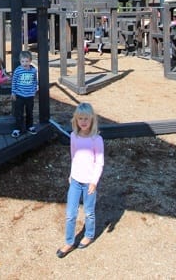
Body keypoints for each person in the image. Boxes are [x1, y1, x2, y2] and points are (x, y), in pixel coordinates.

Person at [57, 102, 104, 259]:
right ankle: (69, 242)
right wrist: (71, 173)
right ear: (76, 120)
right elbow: (74, 156)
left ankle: (89, 234)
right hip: (76, 181)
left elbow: (99, 162)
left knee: (89, 212)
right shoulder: (74, 136)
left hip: (89, 182)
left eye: (86, 119)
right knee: (71, 213)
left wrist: (94, 181)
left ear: (92, 120)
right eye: (80, 119)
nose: (83, 122)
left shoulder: (96, 140)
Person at [10, 50, 38, 138]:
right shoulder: (18, 71)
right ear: (20, 61)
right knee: (19, 113)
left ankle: (29, 126)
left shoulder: (33, 70)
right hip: (19, 95)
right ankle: (18, 128)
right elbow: (14, 82)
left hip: (29, 96)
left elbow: (35, 81)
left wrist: (34, 90)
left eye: (26, 61)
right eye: (23, 61)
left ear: (30, 61)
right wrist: (13, 92)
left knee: (30, 112)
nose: (24, 63)